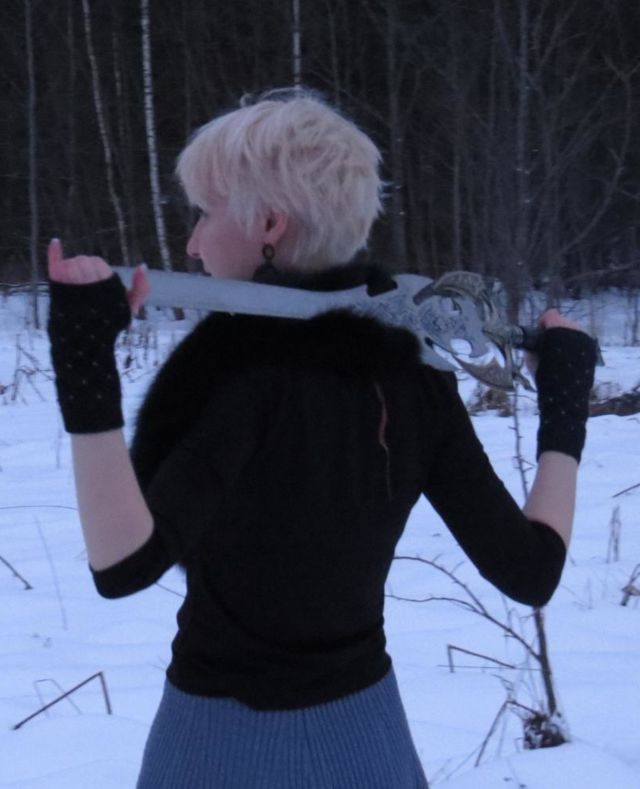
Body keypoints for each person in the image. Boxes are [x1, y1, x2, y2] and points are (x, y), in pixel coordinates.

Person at [47, 87, 598, 789]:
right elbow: (532, 569)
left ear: (268, 224)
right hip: (366, 745)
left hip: (216, 749)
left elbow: (123, 564)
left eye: (205, 213)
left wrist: (86, 372)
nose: (191, 242)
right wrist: (564, 410)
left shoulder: (240, 376)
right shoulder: (414, 380)